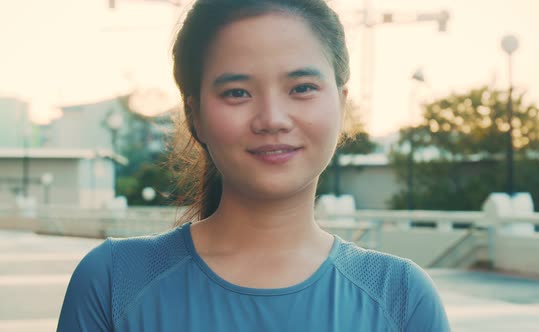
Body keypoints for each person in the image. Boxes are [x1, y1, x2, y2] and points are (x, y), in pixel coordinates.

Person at [57, 0, 451, 331]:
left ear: (342, 102)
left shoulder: (400, 297)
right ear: (194, 114)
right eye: (237, 92)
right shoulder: (113, 281)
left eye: (302, 88)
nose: (272, 119)